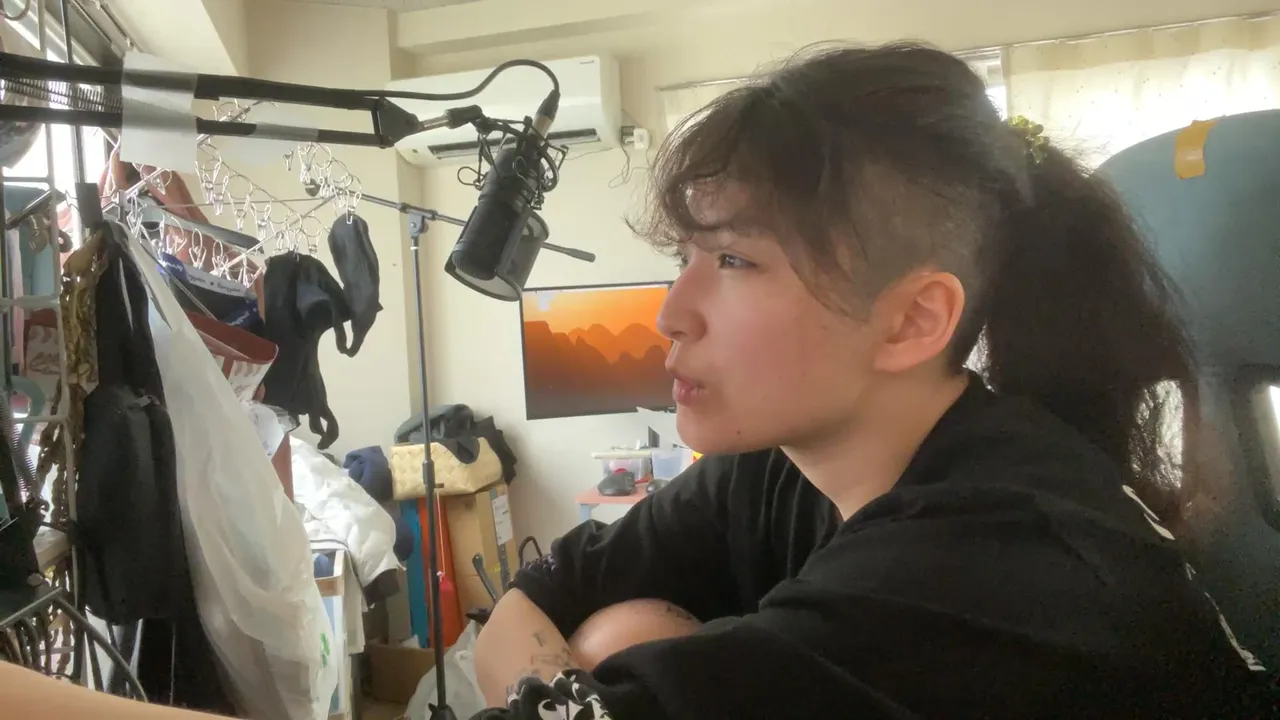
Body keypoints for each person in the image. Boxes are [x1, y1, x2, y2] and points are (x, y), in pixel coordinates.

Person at [471, 42, 1274, 719]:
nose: (671, 314)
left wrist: (561, 696)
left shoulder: (978, 568)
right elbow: (531, 597)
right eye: (686, 258)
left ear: (911, 321)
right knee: (621, 631)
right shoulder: (789, 462)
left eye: (735, 260)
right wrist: (564, 694)